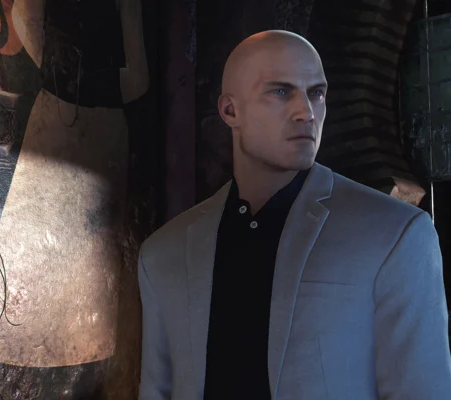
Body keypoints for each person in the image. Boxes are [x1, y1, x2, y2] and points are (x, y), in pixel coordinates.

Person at [137, 30, 451, 399]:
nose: (306, 112)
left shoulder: (394, 234)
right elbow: (157, 389)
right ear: (230, 111)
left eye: (316, 93)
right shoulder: (164, 253)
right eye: (281, 91)